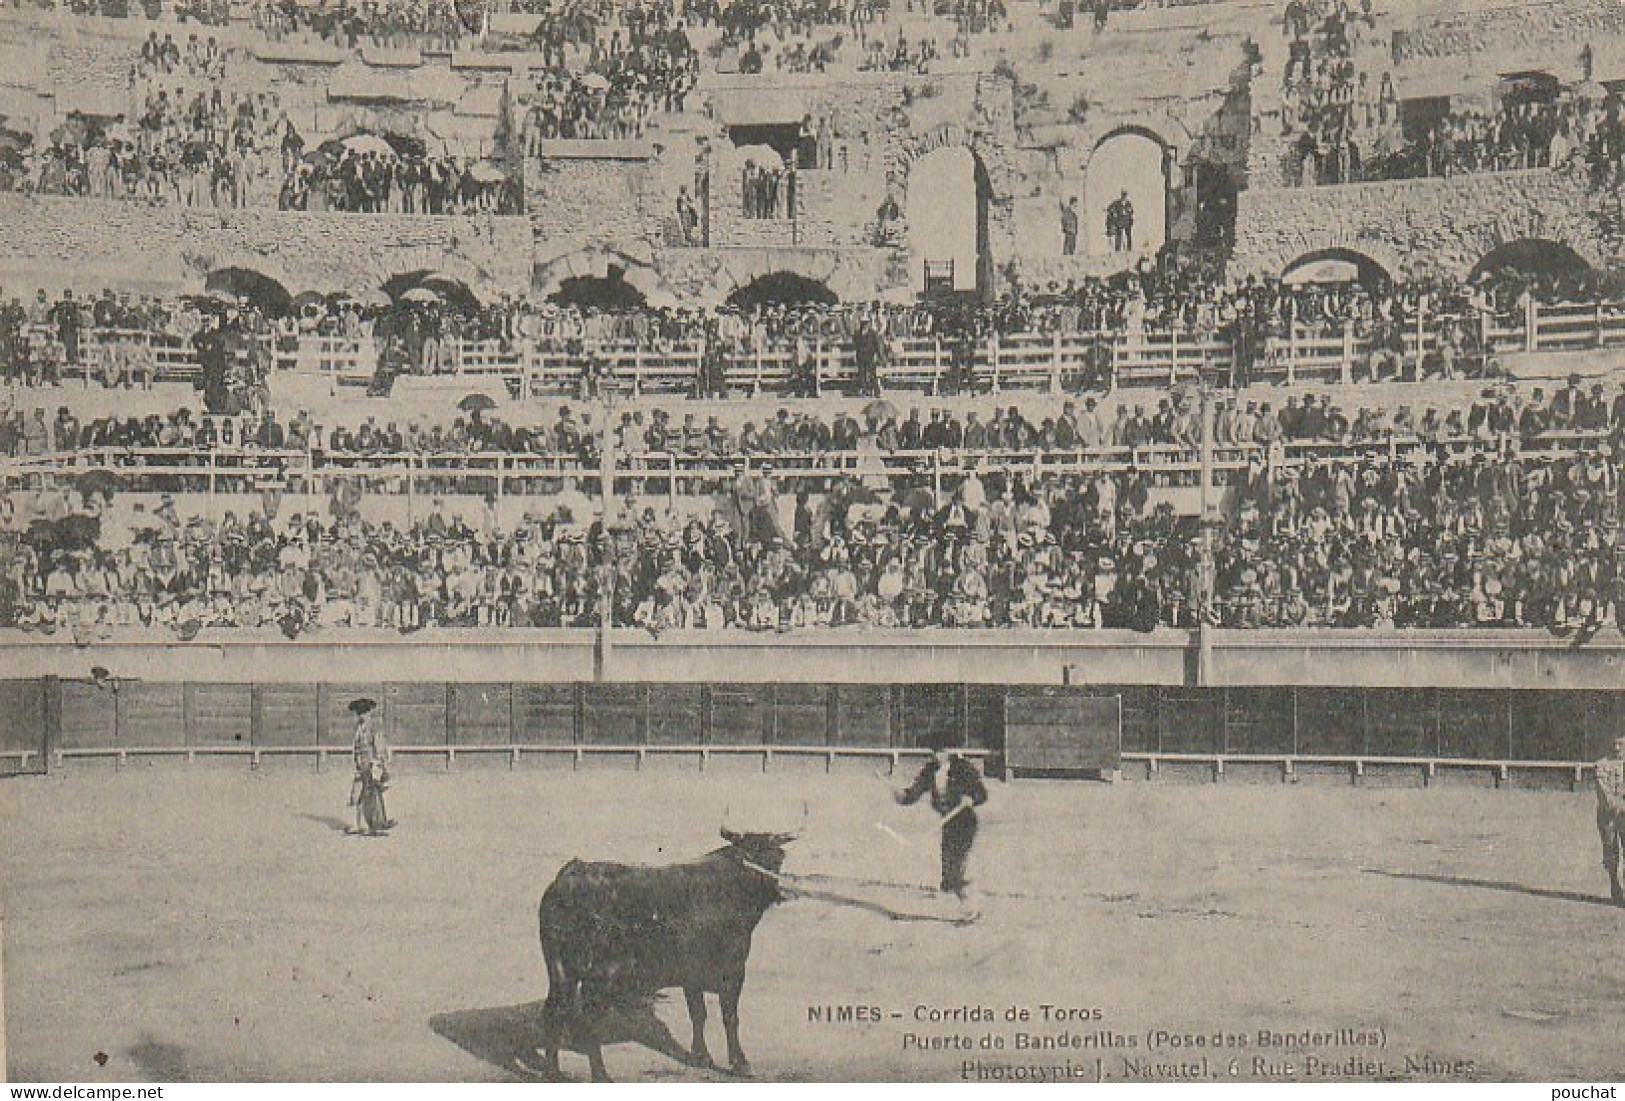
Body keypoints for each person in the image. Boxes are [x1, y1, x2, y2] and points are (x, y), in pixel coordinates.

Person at [895, 739, 989, 897]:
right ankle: (967, 901)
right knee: (948, 871)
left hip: (965, 822)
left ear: (949, 751)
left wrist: (972, 799)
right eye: (935, 751)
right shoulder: (930, 770)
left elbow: (981, 793)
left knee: (956, 866)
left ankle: (971, 904)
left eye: (942, 751)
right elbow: (914, 793)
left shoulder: (962, 768)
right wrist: (902, 797)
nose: (938, 755)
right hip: (948, 822)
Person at [349, 698, 393, 836]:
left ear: (369, 712)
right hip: (361, 764)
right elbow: (356, 748)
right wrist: (357, 763)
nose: (361, 715)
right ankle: (357, 824)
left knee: (370, 795)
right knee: (358, 795)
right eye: (359, 713)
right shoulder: (358, 727)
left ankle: (372, 825)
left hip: (370, 763)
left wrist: (378, 763)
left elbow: (379, 747)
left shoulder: (373, 727)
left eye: (363, 712)